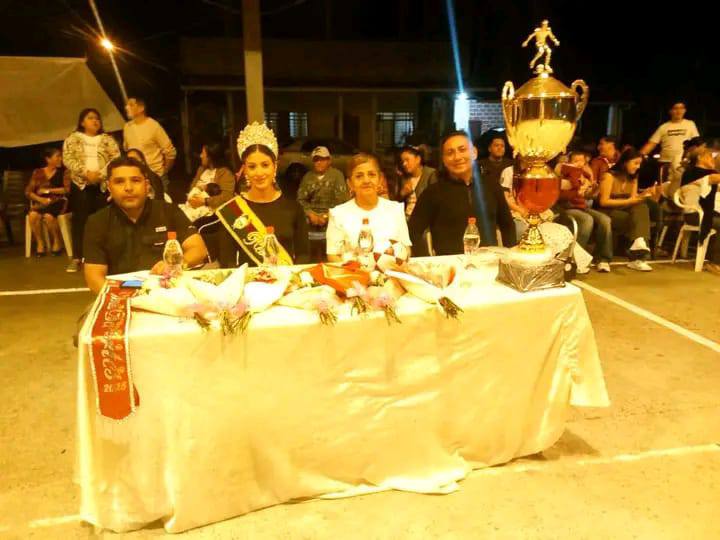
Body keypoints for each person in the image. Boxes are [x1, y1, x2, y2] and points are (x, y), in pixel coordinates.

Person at [83, 156, 207, 294]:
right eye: (119, 182)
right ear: (109, 187)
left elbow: (198, 249)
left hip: (168, 292)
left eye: (135, 180)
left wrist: (176, 265)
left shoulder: (169, 211)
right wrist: (122, 299)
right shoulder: (97, 222)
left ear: (147, 185)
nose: (128, 188)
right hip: (120, 293)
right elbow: (94, 278)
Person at [216, 122, 309, 267]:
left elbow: (304, 254)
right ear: (245, 169)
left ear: (275, 166)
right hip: (248, 280)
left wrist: (291, 278)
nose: (259, 173)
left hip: (286, 279)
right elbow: (227, 262)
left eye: (265, 165)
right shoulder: (232, 212)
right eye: (252, 167)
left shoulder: (293, 208)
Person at [409, 130, 516, 255]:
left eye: (462, 150)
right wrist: (426, 261)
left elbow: (507, 225)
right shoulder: (432, 192)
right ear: (444, 160)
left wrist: (510, 259)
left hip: (487, 261)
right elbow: (412, 231)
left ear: (474, 153)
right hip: (450, 264)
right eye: (450, 153)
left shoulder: (492, 186)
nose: (457, 157)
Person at [63, 108, 121, 273]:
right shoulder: (73, 138)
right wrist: (86, 173)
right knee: (80, 221)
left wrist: (100, 174)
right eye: (90, 118)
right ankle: (77, 258)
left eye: (97, 118)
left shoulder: (107, 139)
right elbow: (68, 158)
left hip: (101, 185)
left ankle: (104, 256)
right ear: (82, 122)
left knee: (103, 220)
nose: (95, 121)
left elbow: (115, 158)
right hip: (80, 184)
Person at [326, 153, 411, 261]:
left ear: (380, 179)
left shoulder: (395, 210)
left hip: (390, 270)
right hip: (352, 271)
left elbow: (406, 249)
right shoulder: (338, 214)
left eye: (371, 175)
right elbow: (333, 255)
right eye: (359, 176)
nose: (366, 181)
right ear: (350, 183)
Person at [598, 149, 661, 271]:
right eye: (635, 163)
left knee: (641, 207)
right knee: (639, 221)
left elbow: (633, 199)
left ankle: (639, 243)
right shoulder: (609, 176)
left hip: (624, 210)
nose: (638, 167)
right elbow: (604, 202)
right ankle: (638, 255)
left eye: (639, 164)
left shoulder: (633, 178)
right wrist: (630, 201)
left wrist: (644, 195)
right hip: (608, 210)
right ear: (625, 162)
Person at [556, 152, 613, 272]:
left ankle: (603, 259)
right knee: (587, 219)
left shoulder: (582, 175)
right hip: (568, 207)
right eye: (575, 161)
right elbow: (561, 196)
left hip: (582, 207)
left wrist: (594, 188)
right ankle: (576, 259)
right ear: (569, 162)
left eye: (581, 161)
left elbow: (587, 196)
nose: (579, 163)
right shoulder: (565, 175)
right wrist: (577, 190)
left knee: (605, 220)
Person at [297, 146, 349, 261]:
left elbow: (342, 201)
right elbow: (300, 199)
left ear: (329, 160)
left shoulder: (337, 175)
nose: (319, 162)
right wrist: (310, 213)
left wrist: (327, 216)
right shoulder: (308, 177)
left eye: (322, 159)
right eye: (316, 160)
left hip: (332, 216)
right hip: (311, 218)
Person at [679, 148, 720, 275]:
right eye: (710, 156)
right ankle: (715, 263)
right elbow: (712, 178)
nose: (713, 159)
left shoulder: (701, 173)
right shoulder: (694, 172)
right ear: (700, 158)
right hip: (694, 214)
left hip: (705, 213)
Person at [123, 97, 177, 192]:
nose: (127, 107)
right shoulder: (127, 127)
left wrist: (164, 171)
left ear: (141, 108)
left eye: (131, 105)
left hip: (155, 176)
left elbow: (170, 152)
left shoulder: (153, 126)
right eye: (127, 105)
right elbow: (127, 149)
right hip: (135, 176)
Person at [25, 147, 71, 256]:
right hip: (42, 202)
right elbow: (28, 192)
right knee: (33, 215)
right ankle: (40, 243)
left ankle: (57, 241)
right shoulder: (38, 172)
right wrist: (40, 199)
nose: (60, 159)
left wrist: (48, 190)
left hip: (58, 201)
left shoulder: (64, 172)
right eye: (57, 156)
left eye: (61, 156)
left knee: (48, 216)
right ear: (48, 159)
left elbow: (67, 189)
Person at [640, 102, 700, 185]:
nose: (679, 111)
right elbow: (652, 143)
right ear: (670, 111)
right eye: (676, 108)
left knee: (683, 186)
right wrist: (639, 155)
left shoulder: (690, 124)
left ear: (685, 110)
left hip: (683, 164)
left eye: (681, 108)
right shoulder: (663, 127)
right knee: (664, 186)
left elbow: (696, 143)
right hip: (665, 163)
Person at [179, 142, 235, 223]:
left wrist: (204, 201)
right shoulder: (202, 169)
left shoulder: (225, 173)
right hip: (192, 203)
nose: (200, 156)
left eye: (203, 153)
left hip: (208, 211)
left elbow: (227, 197)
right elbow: (193, 186)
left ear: (210, 157)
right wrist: (192, 197)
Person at [398, 145, 437, 219]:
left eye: (407, 160)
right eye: (402, 161)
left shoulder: (431, 174)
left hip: (423, 219)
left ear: (418, 159)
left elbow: (435, 201)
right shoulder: (404, 177)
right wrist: (402, 194)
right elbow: (397, 203)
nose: (404, 164)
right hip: (406, 218)